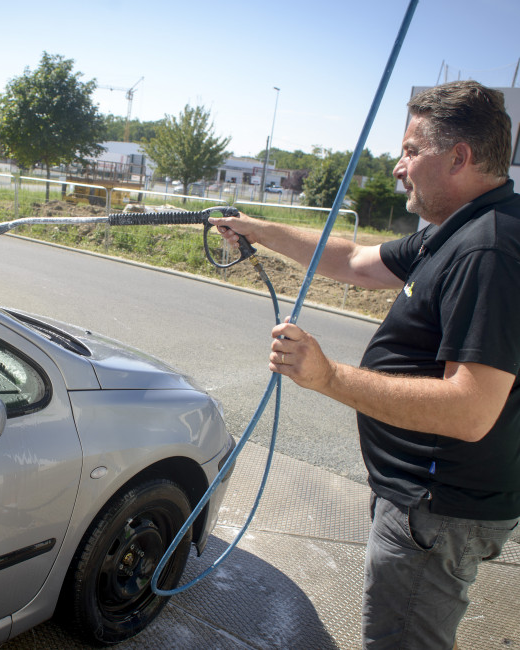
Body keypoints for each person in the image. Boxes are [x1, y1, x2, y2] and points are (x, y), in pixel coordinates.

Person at [210, 80, 520, 649]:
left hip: (435, 511)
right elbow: (354, 259)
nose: (399, 167)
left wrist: (328, 377)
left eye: (410, 150)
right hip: (425, 503)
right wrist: (259, 230)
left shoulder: (488, 249)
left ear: (460, 157)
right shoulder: (455, 231)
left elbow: (472, 409)